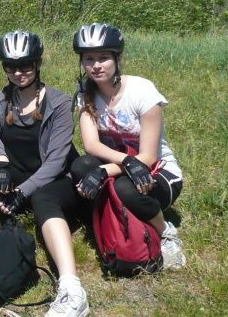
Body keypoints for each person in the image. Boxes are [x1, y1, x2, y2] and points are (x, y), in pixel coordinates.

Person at [0, 31, 89, 317]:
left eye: (25, 65)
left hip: (49, 179)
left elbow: (56, 161)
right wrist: (1, 164)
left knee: (44, 200)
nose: (18, 72)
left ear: (37, 64)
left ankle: (72, 288)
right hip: (12, 175)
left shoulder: (59, 103)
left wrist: (21, 193)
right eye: (11, 66)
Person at [70, 23, 186, 270]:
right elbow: (91, 145)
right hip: (123, 164)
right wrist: (120, 162)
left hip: (157, 168)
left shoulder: (142, 90)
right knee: (81, 165)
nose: (96, 65)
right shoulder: (86, 94)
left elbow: (149, 156)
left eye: (103, 57)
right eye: (89, 59)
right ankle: (108, 218)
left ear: (117, 58)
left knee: (125, 187)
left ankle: (166, 233)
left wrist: (103, 171)